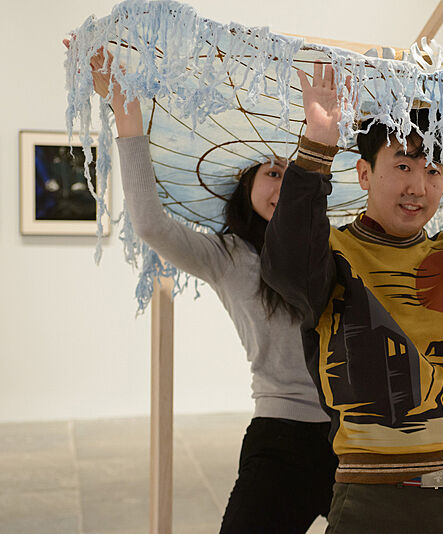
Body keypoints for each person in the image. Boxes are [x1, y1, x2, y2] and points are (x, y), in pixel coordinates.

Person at [261, 61, 443, 533]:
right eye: (402, 165)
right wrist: (317, 147)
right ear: (364, 173)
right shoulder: (333, 254)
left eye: (434, 170)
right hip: (376, 499)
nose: (417, 187)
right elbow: (287, 266)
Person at [67, 41, 337, 534]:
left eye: (295, 176)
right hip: (283, 437)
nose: (283, 187)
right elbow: (149, 225)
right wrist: (125, 111)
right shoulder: (228, 256)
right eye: (273, 173)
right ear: (246, 183)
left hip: (358, 435)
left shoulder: (335, 251)